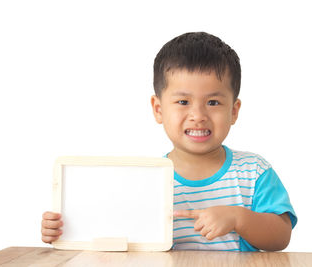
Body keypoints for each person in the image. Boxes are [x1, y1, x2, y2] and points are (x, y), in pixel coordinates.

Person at [42, 32, 297, 251]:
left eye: (213, 102)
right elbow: (119, 239)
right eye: (183, 102)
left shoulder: (253, 172)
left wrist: (239, 218)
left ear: (234, 110)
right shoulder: (147, 181)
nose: (198, 116)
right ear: (158, 109)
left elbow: (281, 236)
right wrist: (64, 229)